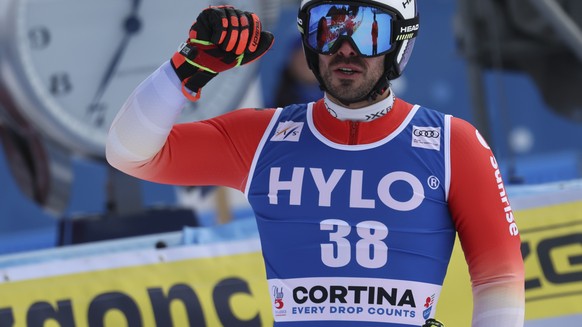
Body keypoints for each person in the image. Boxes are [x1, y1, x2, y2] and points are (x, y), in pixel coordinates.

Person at [106, 1, 525, 326]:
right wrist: (185, 69)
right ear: (309, 41)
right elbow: (129, 154)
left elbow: (499, 278)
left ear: (401, 42)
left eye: (368, 31)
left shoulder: (453, 144)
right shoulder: (263, 138)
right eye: (330, 28)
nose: (346, 48)